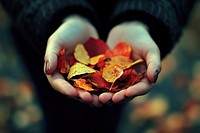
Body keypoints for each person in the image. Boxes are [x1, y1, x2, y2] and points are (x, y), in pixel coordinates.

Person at [0, 0, 197, 133]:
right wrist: (58, 12)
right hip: (43, 27)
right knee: (59, 114)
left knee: (107, 116)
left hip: (122, 33)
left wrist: (143, 16)